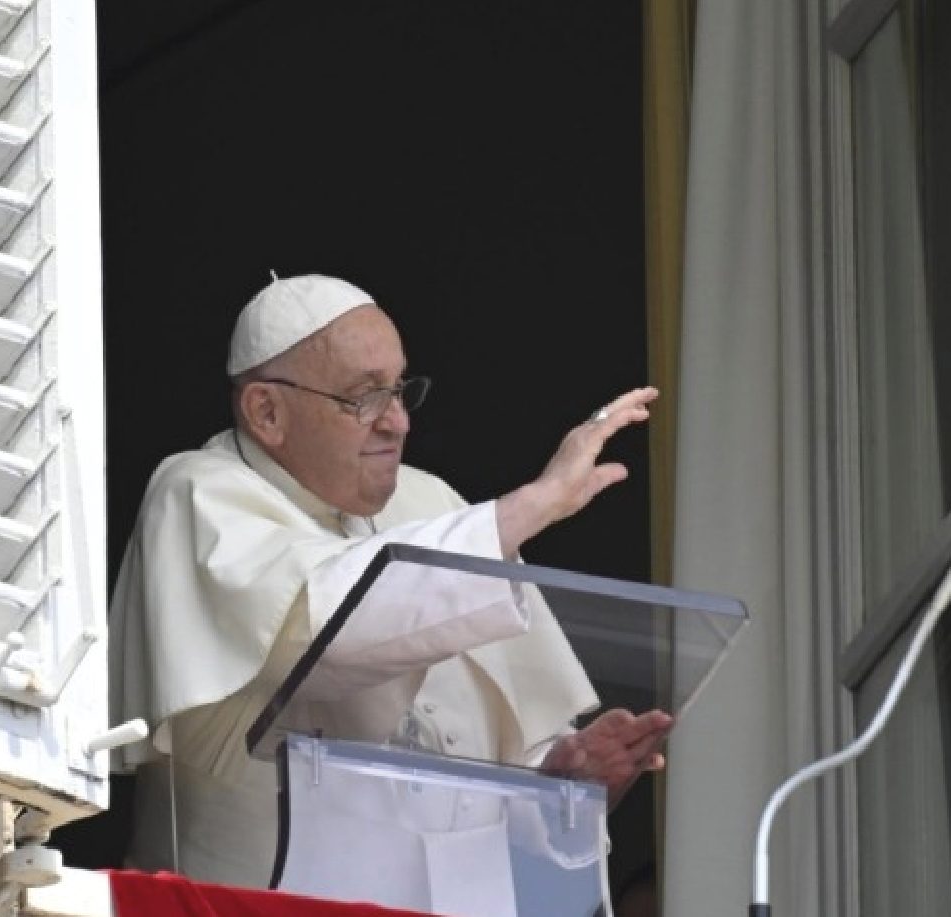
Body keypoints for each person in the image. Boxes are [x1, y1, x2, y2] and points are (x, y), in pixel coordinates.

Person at [108, 274, 672, 888]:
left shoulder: (433, 502)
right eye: (364, 397)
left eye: (400, 390)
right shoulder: (196, 492)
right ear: (267, 411)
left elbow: (485, 767)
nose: (398, 422)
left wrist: (559, 783)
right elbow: (332, 623)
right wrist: (535, 504)